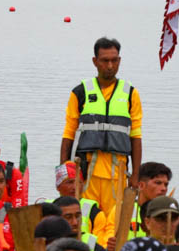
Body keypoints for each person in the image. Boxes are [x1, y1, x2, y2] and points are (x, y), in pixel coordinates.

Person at [60, 37, 142, 215]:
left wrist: (135, 175)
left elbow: (135, 136)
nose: (110, 65)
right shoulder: (80, 92)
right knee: (85, 219)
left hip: (117, 173)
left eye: (114, 60)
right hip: (85, 170)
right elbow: (68, 134)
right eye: (105, 60)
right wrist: (63, 172)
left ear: (119, 61)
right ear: (95, 61)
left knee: (114, 223)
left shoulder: (130, 94)